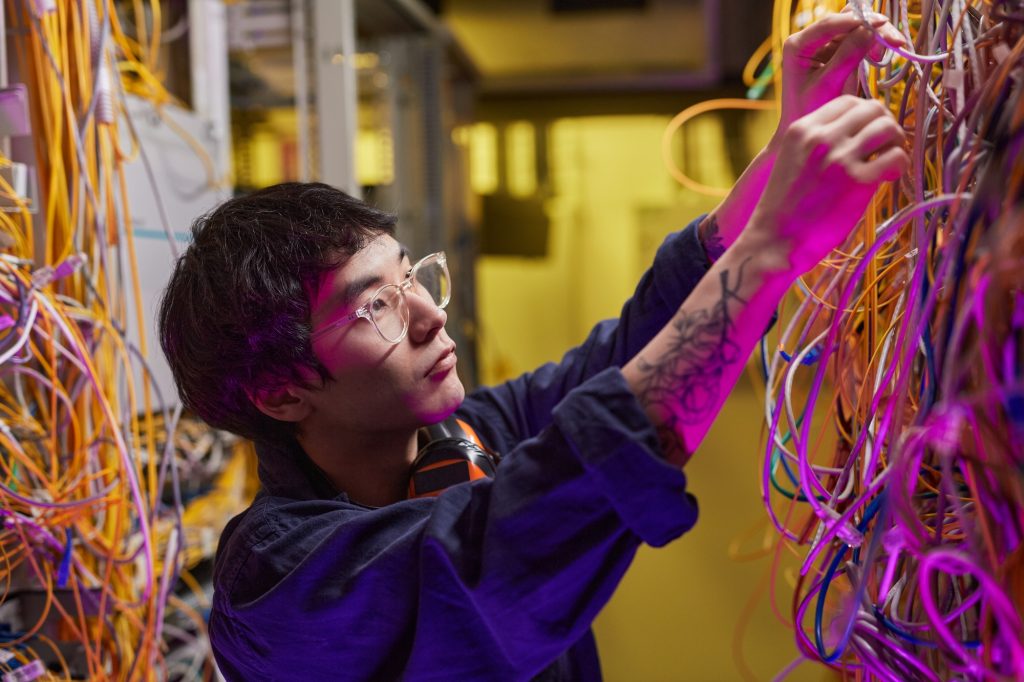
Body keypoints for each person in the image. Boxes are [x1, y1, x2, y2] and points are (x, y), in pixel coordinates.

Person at [158, 11, 908, 681]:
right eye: (375, 306)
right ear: (281, 392)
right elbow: (502, 545)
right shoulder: (279, 587)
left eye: (411, 277)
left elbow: (629, 354)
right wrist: (771, 249)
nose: (429, 316)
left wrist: (781, 154)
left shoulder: (463, 438)